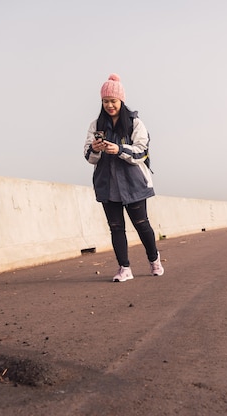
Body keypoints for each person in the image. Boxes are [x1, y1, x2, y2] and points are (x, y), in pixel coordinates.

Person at [84, 73, 164, 282]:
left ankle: (154, 259)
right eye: (105, 101)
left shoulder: (134, 123)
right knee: (116, 227)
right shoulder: (96, 125)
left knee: (141, 223)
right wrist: (96, 149)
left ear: (121, 101)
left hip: (134, 183)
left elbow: (141, 152)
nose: (109, 105)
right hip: (106, 185)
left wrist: (118, 149)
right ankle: (124, 268)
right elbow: (89, 157)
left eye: (113, 101)